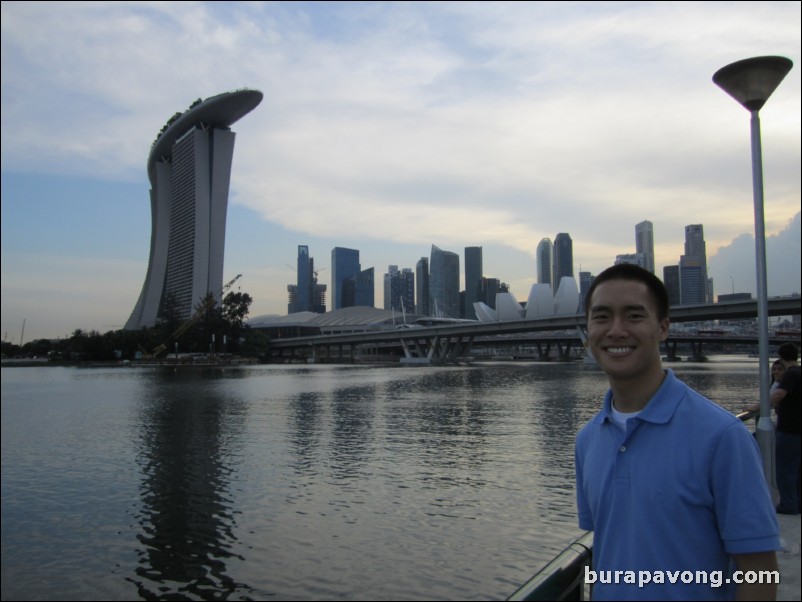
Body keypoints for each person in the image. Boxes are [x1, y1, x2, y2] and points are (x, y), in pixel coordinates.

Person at [575, 264, 779, 600]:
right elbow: (608, 548)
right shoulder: (588, 439)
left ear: (664, 327)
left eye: (634, 316)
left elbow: (758, 569)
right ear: (588, 329)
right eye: (601, 317)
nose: (616, 330)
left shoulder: (722, 436)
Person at [772, 343, 801, 514]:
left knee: (785, 469)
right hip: (799, 429)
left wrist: (758, 405)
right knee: (798, 468)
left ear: (781, 357)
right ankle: (797, 502)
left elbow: (780, 394)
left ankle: (788, 505)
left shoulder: (790, 374)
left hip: (789, 429)